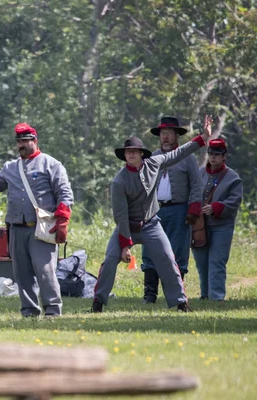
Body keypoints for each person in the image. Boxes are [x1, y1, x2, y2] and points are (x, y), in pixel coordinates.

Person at [91, 115, 212, 313]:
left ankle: (181, 303)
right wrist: (124, 245)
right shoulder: (118, 182)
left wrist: (203, 138)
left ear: (141, 154)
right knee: (110, 260)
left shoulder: (155, 163)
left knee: (168, 258)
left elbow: (180, 153)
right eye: (127, 152)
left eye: (134, 151)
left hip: (151, 224)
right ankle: (98, 302)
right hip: (127, 226)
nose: (130, 155)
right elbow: (120, 216)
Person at [0, 123, 73, 318]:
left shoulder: (51, 164)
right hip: (16, 229)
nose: (21, 145)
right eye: (19, 141)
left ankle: (53, 312)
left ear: (34, 141)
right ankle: (29, 312)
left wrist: (62, 221)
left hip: (41, 228)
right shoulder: (10, 167)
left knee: (46, 272)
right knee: (22, 275)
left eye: (25, 141)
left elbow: (64, 193)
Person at [140, 117, 202, 304]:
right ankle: (150, 295)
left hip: (179, 210)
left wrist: (193, 209)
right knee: (150, 250)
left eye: (169, 134)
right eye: (163, 134)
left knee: (178, 252)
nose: (165, 137)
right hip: (155, 211)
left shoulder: (188, 158)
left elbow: (196, 185)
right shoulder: (152, 158)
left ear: (177, 136)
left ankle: (176, 295)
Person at [191, 138, 243, 301]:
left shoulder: (233, 178)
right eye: (211, 154)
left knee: (217, 261)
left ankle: (217, 297)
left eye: (217, 154)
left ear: (224, 156)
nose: (213, 157)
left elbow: (235, 200)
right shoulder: (199, 173)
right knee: (201, 263)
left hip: (222, 225)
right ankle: (205, 295)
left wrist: (216, 207)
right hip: (200, 226)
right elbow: (191, 194)